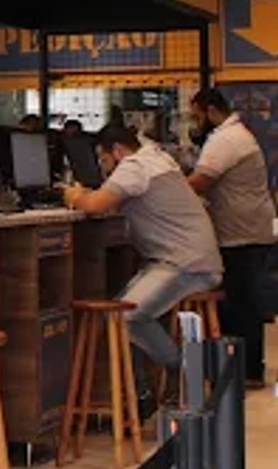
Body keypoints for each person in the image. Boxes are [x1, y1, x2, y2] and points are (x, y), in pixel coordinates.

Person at [67, 122, 223, 380]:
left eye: (103, 159)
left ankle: (187, 372)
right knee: (120, 311)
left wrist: (73, 195)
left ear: (117, 151)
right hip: (187, 259)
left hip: (186, 264)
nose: (104, 168)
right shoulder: (156, 157)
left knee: (126, 317)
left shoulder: (135, 166)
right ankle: (143, 389)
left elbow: (94, 205)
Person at [187, 88, 278, 385]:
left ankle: (246, 371)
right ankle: (244, 368)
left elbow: (199, 182)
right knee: (244, 303)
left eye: (196, 116)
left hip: (243, 234)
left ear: (211, 110)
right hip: (247, 229)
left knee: (241, 306)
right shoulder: (234, 135)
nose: (194, 123)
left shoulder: (226, 139)